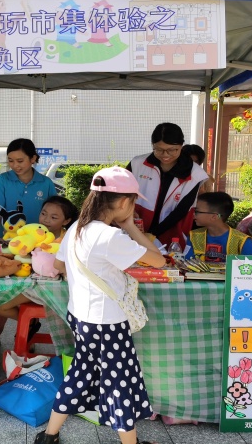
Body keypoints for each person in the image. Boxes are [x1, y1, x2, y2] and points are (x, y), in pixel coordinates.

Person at [34, 166, 164, 444]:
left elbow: (58, 264)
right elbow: (159, 260)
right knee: (119, 384)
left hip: (81, 316)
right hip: (108, 322)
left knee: (80, 373)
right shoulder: (110, 236)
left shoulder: (77, 229)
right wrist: (129, 226)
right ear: (123, 202)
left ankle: (49, 436)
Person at [0, 196, 78, 323]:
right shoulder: (32, 233)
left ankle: (29, 324)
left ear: (66, 221)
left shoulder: (69, 239)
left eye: (54, 217)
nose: (46, 220)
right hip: (30, 284)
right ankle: (30, 324)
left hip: (54, 289)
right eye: (43, 214)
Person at [128, 122, 209, 247]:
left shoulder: (195, 174)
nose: (165, 155)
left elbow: (182, 210)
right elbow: (121, 192)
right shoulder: (138, 163)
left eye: (172, 150)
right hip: (135, 229)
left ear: (181, 146)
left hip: (172, 235)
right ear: (152, 145)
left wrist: (153, 234)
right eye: (159, 149)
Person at [0, 138, 57, 237]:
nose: (15, 165)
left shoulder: (46, 183)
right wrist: (10, 227)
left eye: (20, 161)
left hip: (36, 239)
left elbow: (55, 210)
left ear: (33, 158)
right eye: (11, 161)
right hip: (6, 239)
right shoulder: (2, 180)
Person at [183, 192, 252, 262]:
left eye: (197, 211)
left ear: (214, 217)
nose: (193, 214)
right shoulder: (194, 236)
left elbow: (249, 269)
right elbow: (187, 263)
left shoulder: (242, 241)